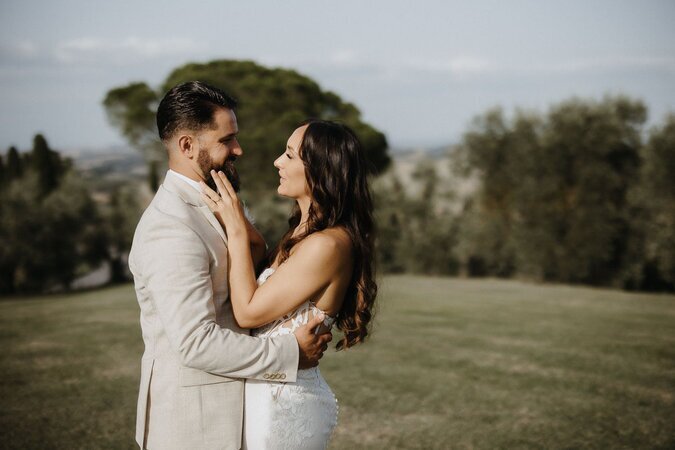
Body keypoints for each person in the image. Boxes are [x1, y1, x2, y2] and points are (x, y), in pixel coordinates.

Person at [128, 81, 332, 450]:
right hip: (196, 428)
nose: (238, 149)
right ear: (187, 146)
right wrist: (291, 354)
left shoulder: (221, 200)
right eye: (226, 140)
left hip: (246, 417)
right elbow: (195, 343)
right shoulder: (170, 225)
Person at [200, 119, 378, 449]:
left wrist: (237, 229)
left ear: (322, 169)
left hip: (286, 407)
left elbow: (249, 312)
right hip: (265, 399)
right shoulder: (300, 235)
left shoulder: (328, 245)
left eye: (290, 155)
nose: (277, 162)